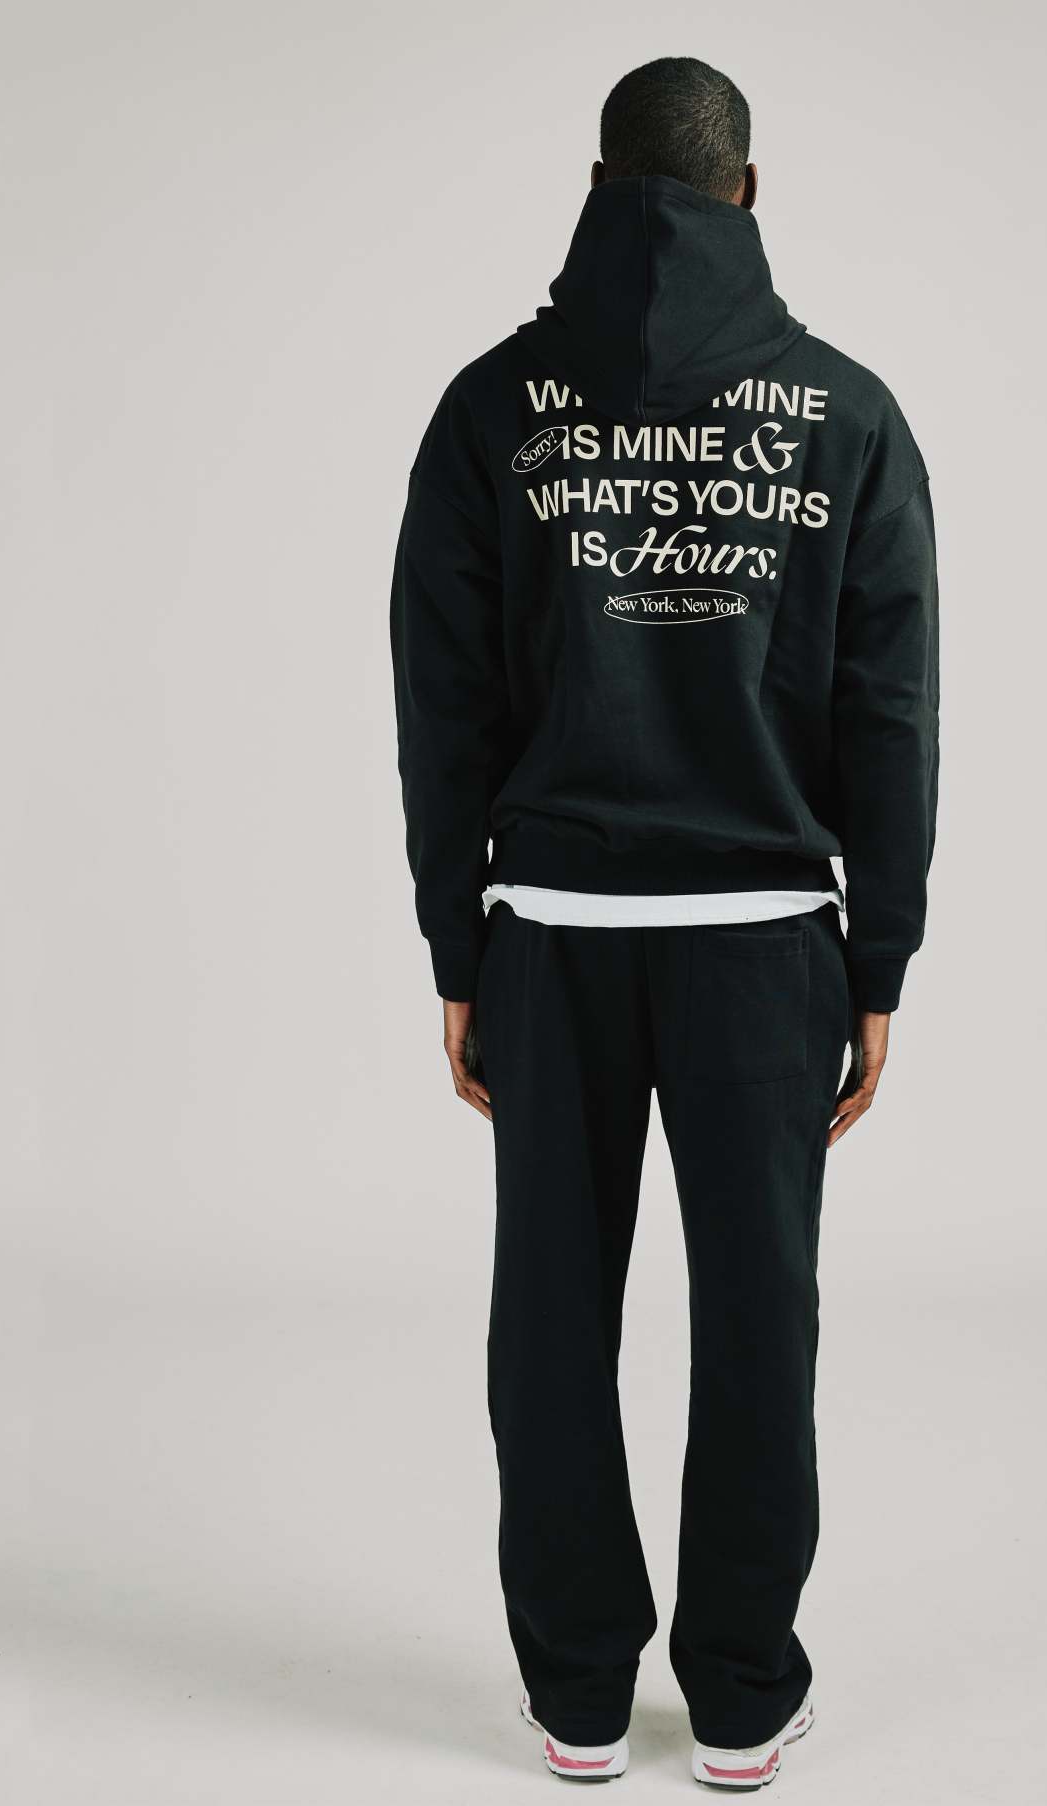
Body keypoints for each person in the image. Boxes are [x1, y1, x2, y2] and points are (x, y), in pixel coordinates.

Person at [390, 54, 939, 1788]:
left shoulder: (493, 408)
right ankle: (742, 1696)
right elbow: (888, 709)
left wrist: (458, 945)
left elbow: (441, 703)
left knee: (550, 1313)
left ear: (598, 187)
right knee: (760, 1319)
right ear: (744, 194)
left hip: (551, 934)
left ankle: (574, 1694)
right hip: (766, 941)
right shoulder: (845, 415)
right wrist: (876, 957)